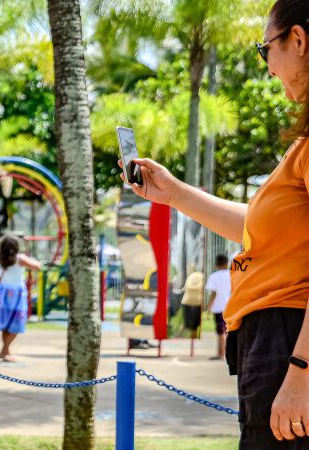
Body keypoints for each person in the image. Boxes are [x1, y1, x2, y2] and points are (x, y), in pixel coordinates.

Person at [121, 3, 309, 444]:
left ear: (298, 40)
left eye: (266, 50)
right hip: (277, 339)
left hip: (290, 340)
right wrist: (174, 194)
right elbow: (258, 231)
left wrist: (301, 370)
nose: (268, 69)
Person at [0, 235, 41, 362]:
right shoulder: (19, 259)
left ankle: (6, 351)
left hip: (2, 294)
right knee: (17, 322)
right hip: (17, 293)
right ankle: (4, 350)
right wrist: (29, 256)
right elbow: (38, 266)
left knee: (6, 324)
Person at [206, 254, 231, 360]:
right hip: (230, 307)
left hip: (218, 308)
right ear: (227, 263)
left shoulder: (214, 276)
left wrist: (209, 307)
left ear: (216, 264)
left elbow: (213, 294)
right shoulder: (232, 275)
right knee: (229, 331)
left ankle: (220, 353)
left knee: (220, 332)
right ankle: (229, 353)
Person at [178, 271, 205, 339]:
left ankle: (179, 337)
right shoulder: (203, 276)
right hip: (198, 300)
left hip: (186, 300)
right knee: (195, 325)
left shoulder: (191, 275)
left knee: (186, 323)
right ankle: (193, 339)